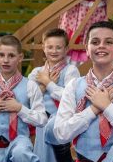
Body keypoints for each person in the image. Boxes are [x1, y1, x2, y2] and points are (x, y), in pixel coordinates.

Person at [52, 21, 113, 162]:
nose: (101, 45)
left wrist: (107, 107)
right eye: (95, 42)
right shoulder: (74, 86)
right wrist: (94, 109)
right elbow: (61, 134)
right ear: (87, 49)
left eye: (108, 42)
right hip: (84, 157)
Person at [0, 35, 47, 162]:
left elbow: (42, 120)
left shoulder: (30, 86)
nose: (5, 60)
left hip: (19, 143)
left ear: (20, 57)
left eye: (11, 56)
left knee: (20, 152)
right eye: (1, 55)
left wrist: (20, 108)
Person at [28, 28, 80, 162]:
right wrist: (43, 86)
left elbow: (70, 98)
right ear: (44, 48)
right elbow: (28, 99)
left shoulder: (71, 71)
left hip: (60, 120)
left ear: (66, 49)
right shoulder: (36, 72)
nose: (54, 51)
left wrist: (49, 83)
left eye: (58, 47)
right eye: (50, 47)